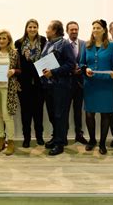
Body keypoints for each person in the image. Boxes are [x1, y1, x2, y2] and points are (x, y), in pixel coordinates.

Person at [79, 19, 113, 155]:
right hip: (90, 84)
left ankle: (102, 143)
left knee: (105, 114)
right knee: (89, 114)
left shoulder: (112, 46)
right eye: (93, 28)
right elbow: (81, 63)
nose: (95, 30)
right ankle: (92, 140)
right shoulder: (86, 45)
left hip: (106, 84)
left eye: (98, 28)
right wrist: (86, 69)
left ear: (104, 30)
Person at [41, 20, 76, 156]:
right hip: (49, 86)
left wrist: (53, 72)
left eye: (48, 28)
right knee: (52, 114)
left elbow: (71, 65)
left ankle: (60, 144)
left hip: (61, 86)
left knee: (60, 115)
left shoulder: (64, 44)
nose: (46, 31)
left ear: (55, 31)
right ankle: (56, 137)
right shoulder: (48, 43)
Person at [0, 29, 21, 155]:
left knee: (7, 116)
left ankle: (10, 141)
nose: (1, 41)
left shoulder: (14, 53)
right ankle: (0, 140)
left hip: (8, 88)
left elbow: (20, 70)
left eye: (4, 38)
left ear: (9, 40)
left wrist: (14, 71)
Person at [15, 19, 47, 148]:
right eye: (30, 27)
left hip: (40, 82)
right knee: (25, 112)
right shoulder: (19, 43)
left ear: (38, 28)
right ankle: (26, 138)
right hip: (24, 82)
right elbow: (16, 62)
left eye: (34, 27)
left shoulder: (44, 41)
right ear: (26, 28)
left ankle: (39, 137)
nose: (32, 29)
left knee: (38, 111)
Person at [65, 21, 88, 145]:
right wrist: (70, 70)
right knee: (65, 110)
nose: (74, 31)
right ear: (67, 31)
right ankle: (64, 135)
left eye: (76, 29)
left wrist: (82, 69)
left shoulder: (85, 44)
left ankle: (79, 134)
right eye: (71, 30)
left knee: (78, 111)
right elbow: (61, 62)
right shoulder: (63, 45)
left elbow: (87, 60)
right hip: (67, 83)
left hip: (80, 83)